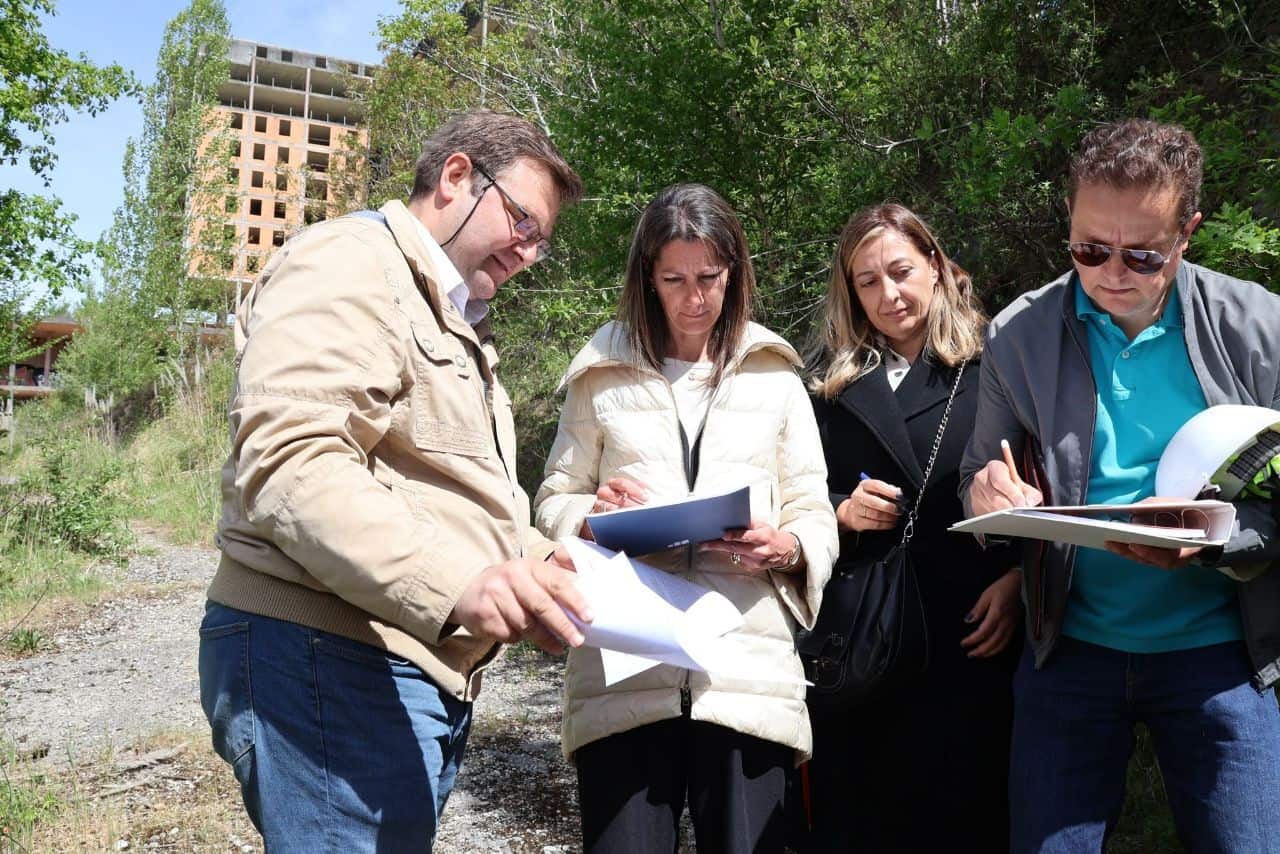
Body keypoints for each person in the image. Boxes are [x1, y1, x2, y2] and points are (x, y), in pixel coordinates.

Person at [198, 109, 591, 850]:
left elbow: (449, 492)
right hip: (325, 656)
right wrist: (459, 586)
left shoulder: (449, 317)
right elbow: (291, 462)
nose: (530, 252)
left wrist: (540, 564)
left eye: (541, 240)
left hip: (389, 666)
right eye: (522, 222)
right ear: (455, 177)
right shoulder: (350, 262)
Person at [961, 118, 1280, 853]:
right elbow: (976, 476)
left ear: (1189, 232)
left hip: (1223, 649)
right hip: (1072, 647)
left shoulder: (1256, 327)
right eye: (1087, 249)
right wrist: (986, 499)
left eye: (1142, 254)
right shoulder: (1020, 333)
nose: (1111, 273)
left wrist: (1223, 539)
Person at [533, 183, 838, 854]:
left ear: (736, 272)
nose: (694, 297)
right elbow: (554, 498)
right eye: (674, 278)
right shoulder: (601, 373)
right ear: (648, 277)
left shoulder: (776, 377)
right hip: (626, 670)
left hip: (745, 672)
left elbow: (814, 510)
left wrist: (785, 548)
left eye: (710, 277)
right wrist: (590, 516)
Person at [801, 203, 1022, 852]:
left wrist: (1019, 580)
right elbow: (784, 499)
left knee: (970, 818)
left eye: (900, 271)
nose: (888, 294)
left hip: (971, 635)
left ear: (934, 266)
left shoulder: (997, 365)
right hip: (864, 639)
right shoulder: (824, 384)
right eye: (866, 281)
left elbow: (1045, 482)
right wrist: (839, 508)